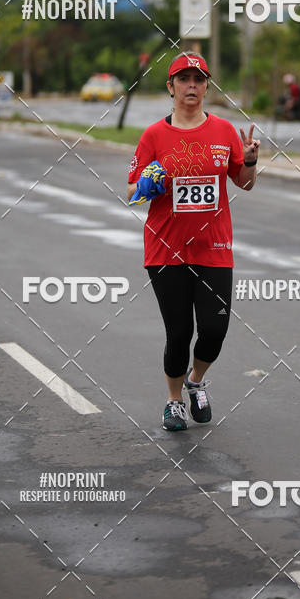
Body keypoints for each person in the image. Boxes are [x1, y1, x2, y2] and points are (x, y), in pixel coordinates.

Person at [127, 52, 260, 431]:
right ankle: (173, 402)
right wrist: (148, 183)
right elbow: (131, 192)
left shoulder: (223, 131)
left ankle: (196, 380)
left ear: (206, 87)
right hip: (165, 250)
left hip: (214, 248)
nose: (191, 86)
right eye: (184, 79)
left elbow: (244, 183)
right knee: (180, 332)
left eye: (199, 80)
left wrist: (250, 161)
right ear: (170, 87)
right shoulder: (154, 135)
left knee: (215, 331)